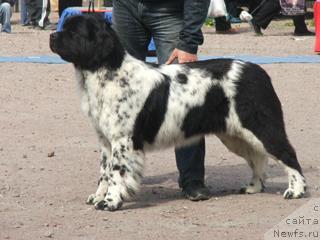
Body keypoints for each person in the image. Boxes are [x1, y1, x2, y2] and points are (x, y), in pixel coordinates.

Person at [112, 0, 211, 201]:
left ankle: (192, 179)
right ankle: (117, 176)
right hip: (125, 8)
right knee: (119, 96)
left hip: (170, 10)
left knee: (183, 97)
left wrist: (189, 41)